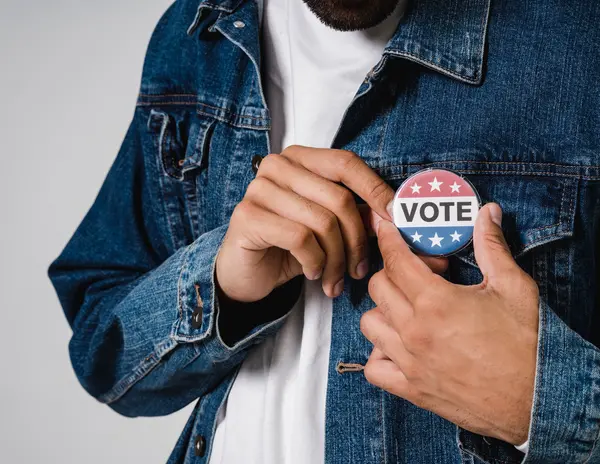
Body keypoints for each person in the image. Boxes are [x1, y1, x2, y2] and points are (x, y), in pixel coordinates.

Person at [48, 0, 600, 462]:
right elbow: (109, 365)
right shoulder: (200, 32)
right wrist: (220, 285)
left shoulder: (579, 37)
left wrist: (538, 397)